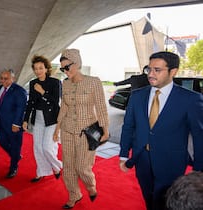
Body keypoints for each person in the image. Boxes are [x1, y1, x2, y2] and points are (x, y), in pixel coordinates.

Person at [119, 51, 203, 210]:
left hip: (171, 163)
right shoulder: (137, 96)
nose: (150, 74)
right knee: (148, 198)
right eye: (148, 69)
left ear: (173, 71)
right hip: (141, 159)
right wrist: (124, 154)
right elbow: (128, 126)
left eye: (157, 70)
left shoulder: (190, 99)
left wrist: (198, 172)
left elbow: (199, 137)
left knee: (166, 202)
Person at [53, 49, 110, 209]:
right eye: (62, 68)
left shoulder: (93, 82)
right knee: (68, 167)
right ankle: (74, 194)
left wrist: (105, 130)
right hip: (67, 130)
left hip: (87, 132)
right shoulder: (65, 83)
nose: (65, 71)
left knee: (82, 167)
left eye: (67, 67)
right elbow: (64, 105)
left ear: (77, 64)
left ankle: (91, 186)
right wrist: (57, 127)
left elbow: (101, 107)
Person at [22, 55, 62, 183]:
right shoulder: (33, 83)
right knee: (38, 147)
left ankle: (57, 167)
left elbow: (56, 102)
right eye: (35, 69)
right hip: (38, 118)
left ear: (46, 68)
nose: (38, 71)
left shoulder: (55, 83)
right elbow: (30, 103)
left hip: (51, 119)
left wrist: (43, 92)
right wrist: (25, 119)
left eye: (40, 68)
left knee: (47, 147)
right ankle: (41, 172)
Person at [0, 69, 27, 178]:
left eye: (6, 78)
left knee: (15, 146)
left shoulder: (19, 91)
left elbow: (21, 108)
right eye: (1, 78)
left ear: (12, 78)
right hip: (1, 123)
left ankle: (13, 167)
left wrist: (16, 124)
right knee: (2, 142)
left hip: (14, 125)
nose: (3, 81)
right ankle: (15, 156)